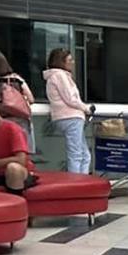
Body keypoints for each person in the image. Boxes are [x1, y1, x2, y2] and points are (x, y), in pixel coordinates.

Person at [43, 47, 91, 175]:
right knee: (77, 154)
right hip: (71, 117)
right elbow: (70, 99)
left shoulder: (53, 77)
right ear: (61, 62)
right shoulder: (60, 76)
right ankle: (76, 183)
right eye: (69, 60)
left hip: (63, 117)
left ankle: (82, 182)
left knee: (84, 155)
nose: (73, 62)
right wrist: (86, 108)